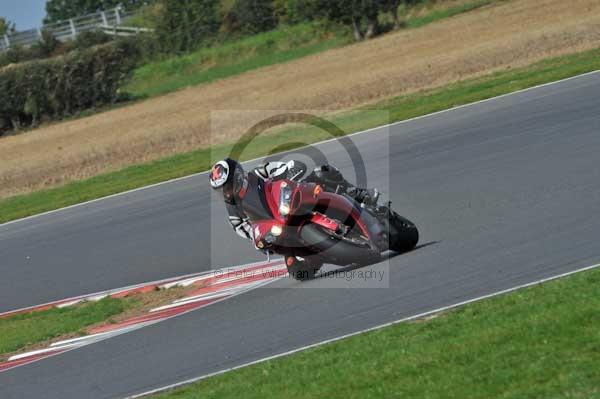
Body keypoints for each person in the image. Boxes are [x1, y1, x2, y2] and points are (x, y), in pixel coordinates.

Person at [209, 158, 379, 242]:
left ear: (238, 177)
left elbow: (290, 165)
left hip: (291, 196)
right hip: (277, 224)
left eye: (228, 186)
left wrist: (287, 172)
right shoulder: (233, 210)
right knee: (297, 270)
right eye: (221, 190)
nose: (226, 192)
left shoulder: (258, 173)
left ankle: (359, 194)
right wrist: (260, 237)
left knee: (323, 172)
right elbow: (244, 230)